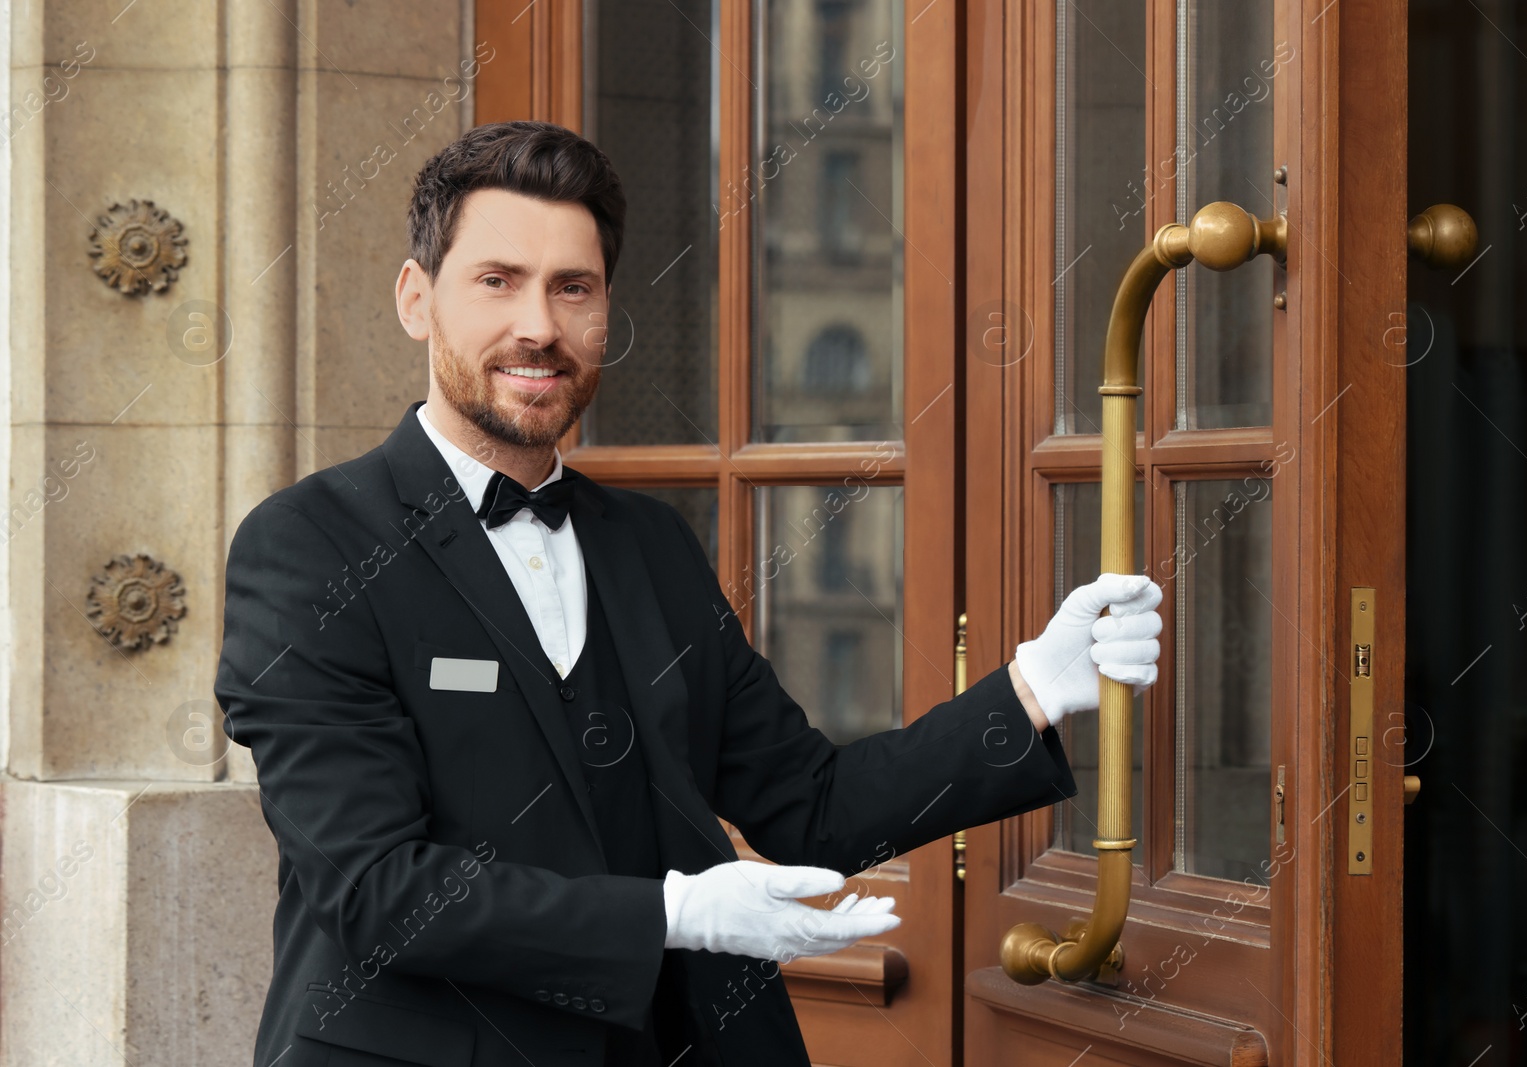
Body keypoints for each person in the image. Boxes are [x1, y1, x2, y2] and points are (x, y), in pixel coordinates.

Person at [214, 120, 1163, 1067]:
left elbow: (812, 805)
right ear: (417, 299)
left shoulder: (652, 546)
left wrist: (1030, 689)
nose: (539, 326)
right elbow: (377, 890)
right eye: (497, 281)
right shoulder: (308, 546)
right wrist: (676, 912)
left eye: (572, 288)